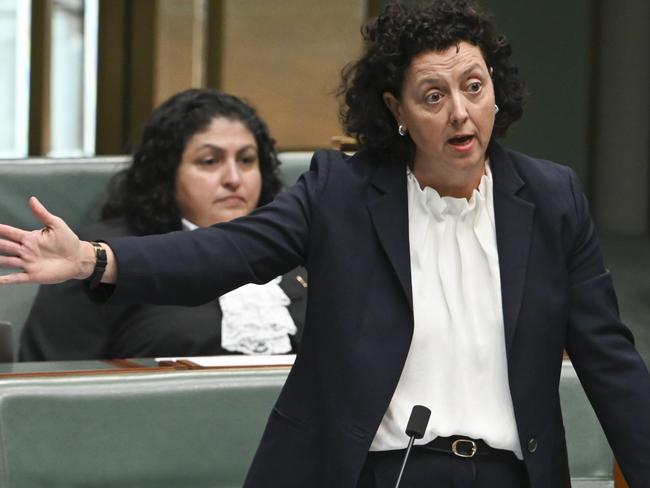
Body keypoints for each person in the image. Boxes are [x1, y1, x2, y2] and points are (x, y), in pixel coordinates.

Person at [0, 1, 648, 486]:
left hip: (511, 472)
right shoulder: (343, 191)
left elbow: (609, 360)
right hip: (374, 471)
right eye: (433, 94)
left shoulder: (552, 197)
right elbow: (228, 253)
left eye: (474, 87)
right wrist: (94, 258)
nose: (460, 113)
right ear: (396, 109)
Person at [19, 88, 307, 360]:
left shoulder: (299, 248)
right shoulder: (94, 256)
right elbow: (52, 385)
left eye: (246, 160)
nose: (234, 178)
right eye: (209, 161)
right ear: (167, 173)